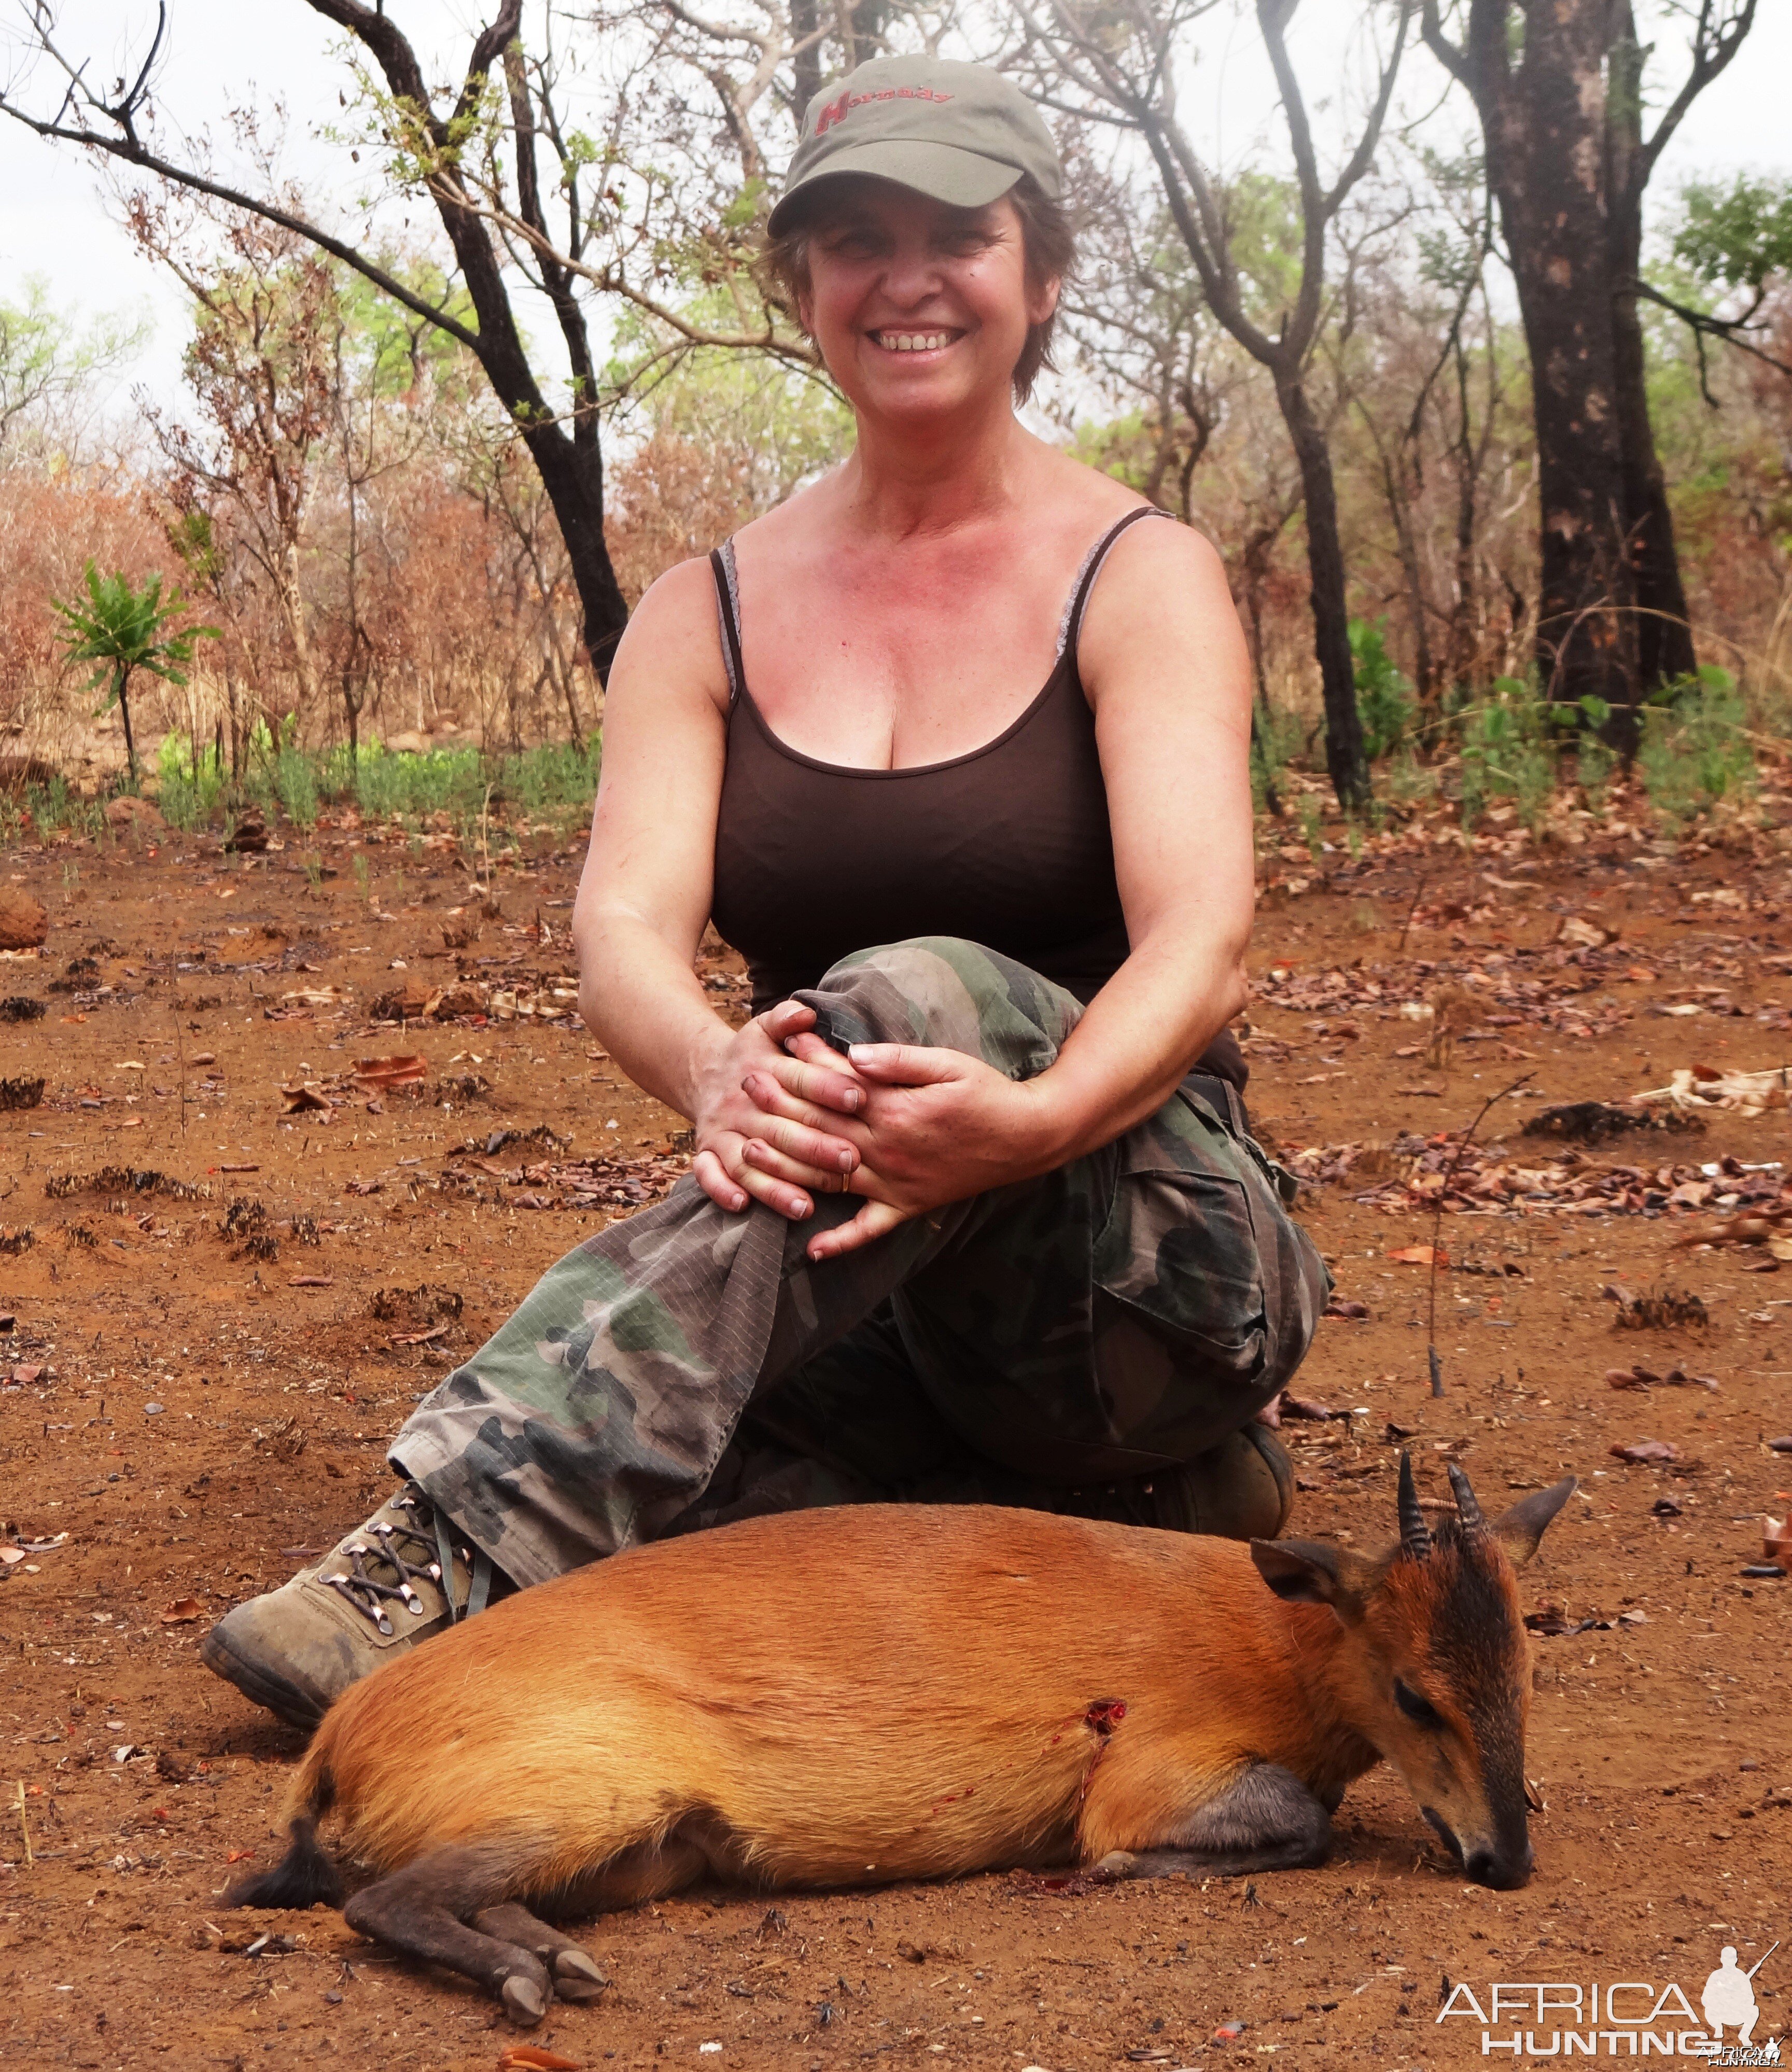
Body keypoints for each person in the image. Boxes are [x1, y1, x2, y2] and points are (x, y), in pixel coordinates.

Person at [203, 55, 1330, 1732]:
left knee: (902, 1000)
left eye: (957, 230)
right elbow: (624, 934)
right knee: (697, 1514)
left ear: (1040, 273)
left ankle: (447, 1535)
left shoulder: (1138, 572)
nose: (907, 278)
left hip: (1153, 1259)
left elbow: (1204, 941)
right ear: (802, 288)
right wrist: (716, 1067)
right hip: (875, 1282)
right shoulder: (701, 610)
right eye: (856, 239)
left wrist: (1036, 1120)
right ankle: (1133, 1516)